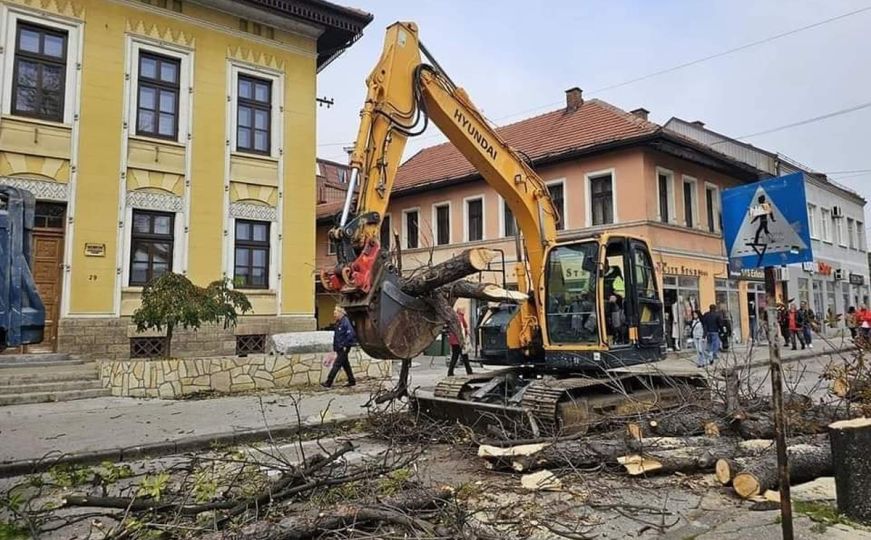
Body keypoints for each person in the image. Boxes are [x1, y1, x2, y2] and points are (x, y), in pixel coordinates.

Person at [322, 307, 357, 388]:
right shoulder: (339, 322)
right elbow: (337, 336)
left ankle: (328, 382)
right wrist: (335, 347)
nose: (334, 314)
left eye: (335, 312)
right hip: (339, 347)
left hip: (343, 348)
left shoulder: (345, 322)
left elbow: (351, 334)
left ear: (341, 313)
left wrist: (344, 344)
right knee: (345, 364)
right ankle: (352, 380)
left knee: (336, 365)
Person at [447, 307, 473, 376]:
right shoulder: (461, 317)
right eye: (463, 310)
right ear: (460, 311)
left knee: (454, 356)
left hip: (453, 341)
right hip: (460, 340)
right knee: (464, 356)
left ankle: (450, 372)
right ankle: (469, 371)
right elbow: (466, 326)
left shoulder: (452, 318)